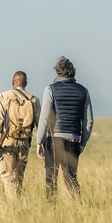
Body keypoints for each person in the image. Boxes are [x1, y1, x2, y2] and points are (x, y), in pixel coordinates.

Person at [36, 56, 93, 200]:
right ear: (72, 72)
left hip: (53, 140)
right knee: (71, 179)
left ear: (57, 72)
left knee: (51, 180)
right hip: (73, 140)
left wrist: (39, 141)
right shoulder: (83, 91)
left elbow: (44, 118)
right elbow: (89, 121)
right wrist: (82, 143)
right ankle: (79, 208)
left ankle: (51, 211)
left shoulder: (50, 89)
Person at [0, 71, 41, 198]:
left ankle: (13, 209)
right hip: (25, 143)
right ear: (26, 83)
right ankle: (18, 208)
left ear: (13, 82)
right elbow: (40, 125)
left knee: (8, 177)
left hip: (7, 141)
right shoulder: (33, 100)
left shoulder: (3, 97)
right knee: (19, 177)